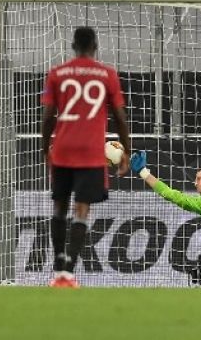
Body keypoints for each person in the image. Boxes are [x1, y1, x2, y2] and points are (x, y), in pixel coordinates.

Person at [41, 27, 130, 288]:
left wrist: (45, 147)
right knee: (82, 210)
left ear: (73, 46)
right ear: (95, 46)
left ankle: (58, 267)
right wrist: (126, 150)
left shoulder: (57, 73)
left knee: (59, 206)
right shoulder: (107, 74)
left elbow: (48, 116)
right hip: (91, 153)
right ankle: (68, 273)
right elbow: (120, 117)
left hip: (63, 149)